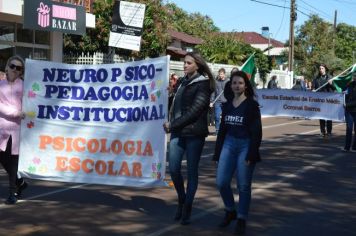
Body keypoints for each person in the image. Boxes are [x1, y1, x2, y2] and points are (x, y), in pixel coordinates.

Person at [163, 52, 215, 225]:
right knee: (174, 169)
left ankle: (187, 207)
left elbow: (195, 111)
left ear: (197, 65)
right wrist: (170, 94)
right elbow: (175, 106)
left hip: (194, 134)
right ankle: (182, 199)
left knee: (192, 172)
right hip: (178, 132)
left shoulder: (204, 84)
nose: (184, 65)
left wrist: (173, 125)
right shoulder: (182, 82)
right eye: (184, 62)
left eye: (188, 63)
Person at [213, 71, 262, 235]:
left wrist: (251, 154)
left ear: (245, 85)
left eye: (240, 83)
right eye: (234, 83)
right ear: (231, 85)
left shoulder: (252, 105)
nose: (237, 85)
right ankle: (230, 210)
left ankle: (241, 218)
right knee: (221, 182)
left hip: (245, 146)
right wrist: (217, 153)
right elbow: (222, 131)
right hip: (228, 143)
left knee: (243, 185)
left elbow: (257, 132)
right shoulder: (226, 105)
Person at [0, 55, 28, 204]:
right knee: (4, 159)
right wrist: (17, 112)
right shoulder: (0, 84)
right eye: (13, 66)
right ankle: (20, 182)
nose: (15, 70)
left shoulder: (23, 85)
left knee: (13, 163)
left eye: (19, 68)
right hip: (1, 129)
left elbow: (30, 103)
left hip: (17, 131)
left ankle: (13, 193)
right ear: (7, 66)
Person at [312, 63, 335, 137]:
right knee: (321, 116)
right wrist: (313, 90)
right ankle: (322, 131)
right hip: (320, 100)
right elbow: (313, 88)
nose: (321, 70)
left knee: (328, 117)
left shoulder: (330, 78)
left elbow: (335, 88)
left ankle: (329, 131)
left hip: (328, 100)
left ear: (325, 69)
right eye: (320, 68)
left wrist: (331, 84)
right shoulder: (316, 78)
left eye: (322, 68)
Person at [210, 68, 229, 135]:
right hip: (217, 101)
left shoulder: (228, 82)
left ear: (224, 74)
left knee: (225, 117)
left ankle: (225, 130)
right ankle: (217, 130)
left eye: (222, 74)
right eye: (219, 74)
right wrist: (211, 101)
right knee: (217, 117)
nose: (220, 75)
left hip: (226, 101)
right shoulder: (216, 82)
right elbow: (213, 92)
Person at [343, 71, 356, 152]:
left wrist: (347, 105)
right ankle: (347, 147)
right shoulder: (349, 84)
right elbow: (342, 92)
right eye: (354, 75)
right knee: (349, 129)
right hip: (349, 111)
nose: (355, 77)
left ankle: (354, 147)